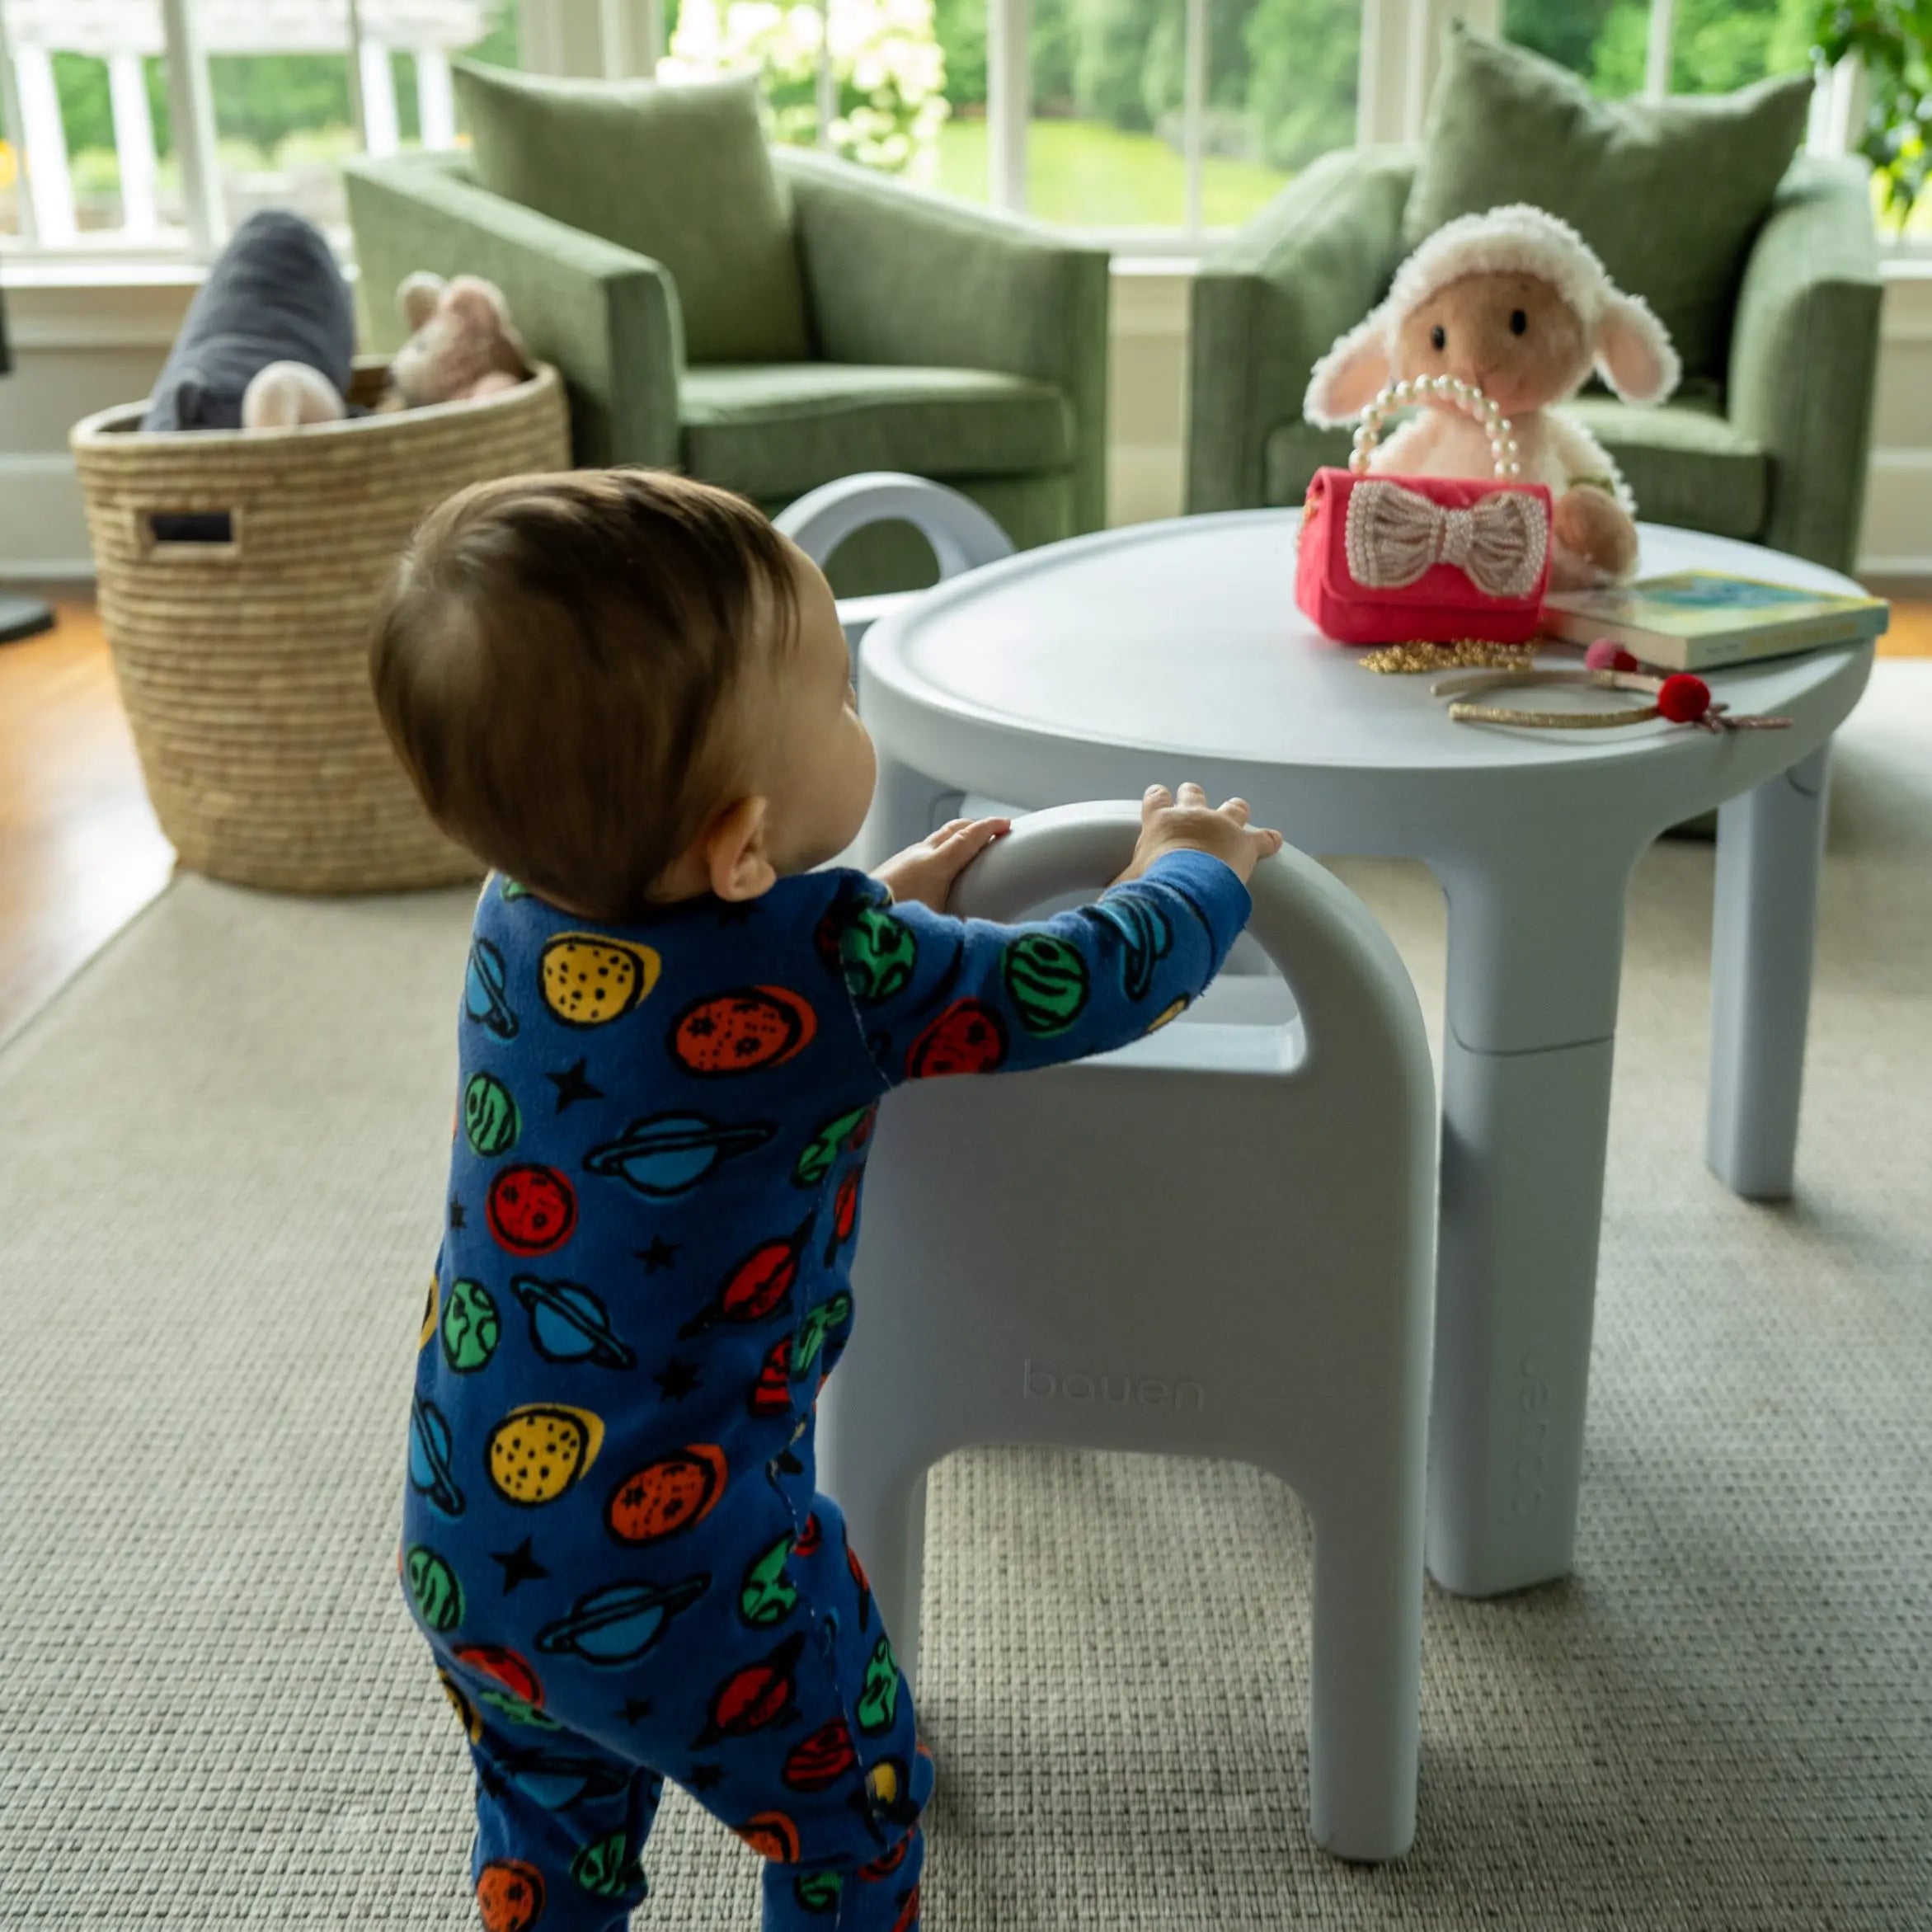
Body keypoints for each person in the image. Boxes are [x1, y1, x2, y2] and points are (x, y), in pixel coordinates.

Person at [370, 468, 1281, 1932]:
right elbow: (1079, 985)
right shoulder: (833, 966)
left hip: (469, 1544)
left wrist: (860, 902)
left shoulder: (515, 908)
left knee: (554, 1829)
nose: (856, 719)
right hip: (700, 1577)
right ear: (738, 847)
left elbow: (731, 965)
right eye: (841, 702)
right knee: (852, 1808)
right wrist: (1192, 877)